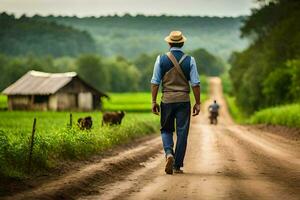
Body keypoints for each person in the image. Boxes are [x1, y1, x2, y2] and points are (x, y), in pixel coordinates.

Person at [151, 31, 201, 174]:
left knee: (166, 129)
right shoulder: (190, 60)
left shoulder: (160, 59)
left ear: (169, 43)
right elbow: (195, 84)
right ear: (182, 43)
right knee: (182, 133)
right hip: (183, 101)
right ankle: (177, 165)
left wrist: (153, 101)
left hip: (166, 100)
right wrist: (198, 103)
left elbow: (155, 82)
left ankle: (169, 153)